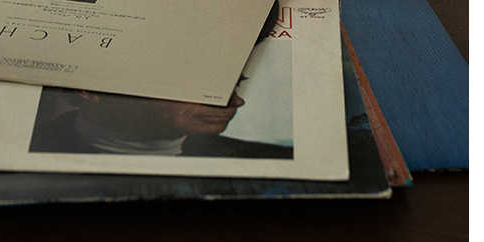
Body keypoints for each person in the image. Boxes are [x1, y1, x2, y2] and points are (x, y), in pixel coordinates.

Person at [28, 82, 291, 159]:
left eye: (234, 83)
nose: (235, 101)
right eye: (197, 84)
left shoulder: (271, 161)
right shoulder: (29, 155)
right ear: (86, 89)